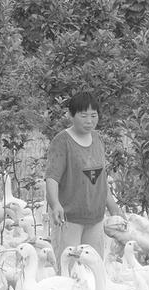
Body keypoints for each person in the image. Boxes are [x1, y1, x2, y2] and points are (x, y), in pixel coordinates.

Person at [45, 91, 122, 263]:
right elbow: (52, 178)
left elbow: (100, 179)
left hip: (95, 217)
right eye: (83, 115)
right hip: (69, 218)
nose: (89, 121)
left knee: (93, 268)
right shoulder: (62, 141)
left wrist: (114, 208)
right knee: (69, 267)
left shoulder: (97, 139)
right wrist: (55, 204)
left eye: (93, 115)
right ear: (71, 115)